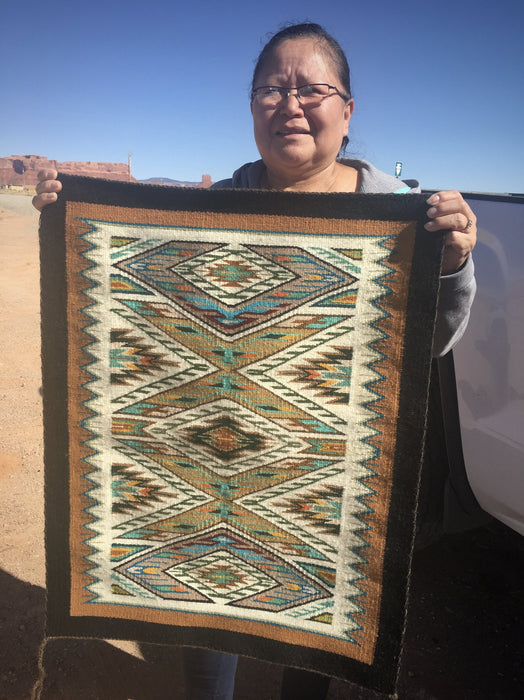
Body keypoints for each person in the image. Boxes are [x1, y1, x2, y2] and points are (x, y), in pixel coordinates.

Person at [33, 22, 477, 700]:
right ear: (249, 109)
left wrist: (451, 268)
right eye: (270, 89)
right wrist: (71, 215)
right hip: (204, 486)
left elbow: (426, 350)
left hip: (326, 495)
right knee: (205, 634)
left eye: (312, 89)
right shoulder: (212, 211)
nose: (290, 104)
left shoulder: (396, 220)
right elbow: (129, 311)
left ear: (348, 110)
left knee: (313, 657)